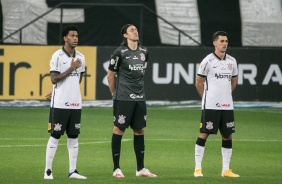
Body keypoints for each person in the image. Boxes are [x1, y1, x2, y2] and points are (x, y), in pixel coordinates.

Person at [107, 24, 157, 178]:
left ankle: (140, 169)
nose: (135, 32)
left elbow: (143, 71)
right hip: (123, 98)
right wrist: (114, 93)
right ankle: (116, 169)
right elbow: (110, 75)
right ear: (125, 36)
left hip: (140, 98)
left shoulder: (144, 51)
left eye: (136, 30)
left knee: (139, 130)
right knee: (118, 130)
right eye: (131, 30)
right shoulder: (119, 53)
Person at [194, 31, 240, 178]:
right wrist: (206, 98)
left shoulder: (232, 61)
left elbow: (233, 81)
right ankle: (197, 168)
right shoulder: (207, 61)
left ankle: (226, 170)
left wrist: (225, 95)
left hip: (227, 105)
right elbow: (198, 82)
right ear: (215, 43)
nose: (224, 43)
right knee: (203, 134)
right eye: (221, 41)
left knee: (227, 136)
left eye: (226, 41)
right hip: (211, 105)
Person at [43, 25, 87, 180]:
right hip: (60, 103)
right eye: (72, 36)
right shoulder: (57, 56)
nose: (75, 38)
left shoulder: (81, 56)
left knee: (74, 136)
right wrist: (71, 68)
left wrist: (67, 84)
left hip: (76, 103)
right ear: (65, 38)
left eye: (77, 36)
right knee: (55, 135)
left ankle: (73, 171)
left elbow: (79, 79)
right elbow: (54, 78)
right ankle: (48, 171)